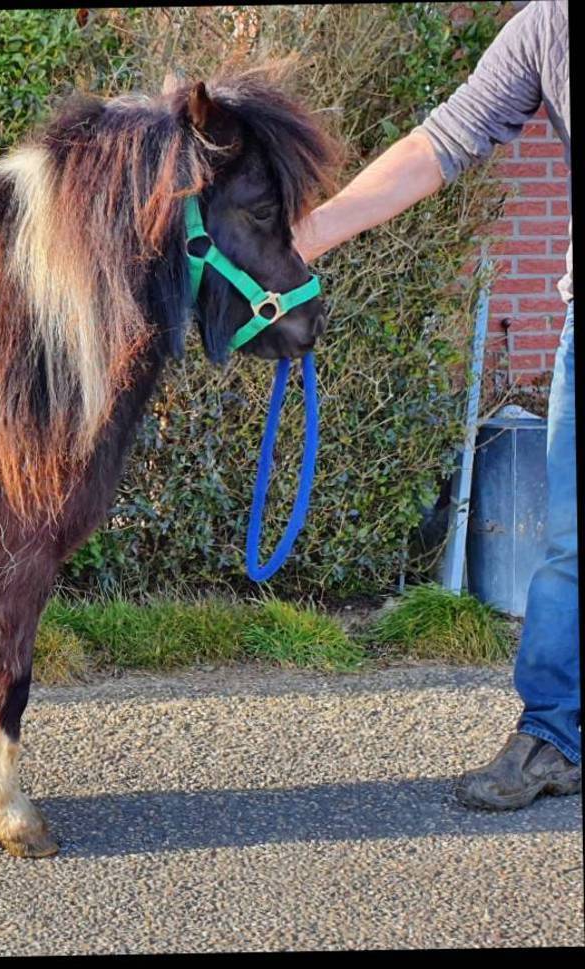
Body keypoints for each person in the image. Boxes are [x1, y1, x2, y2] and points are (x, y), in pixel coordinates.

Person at [292, 0, 576, 810]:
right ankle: (557, 733)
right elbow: (442, 142)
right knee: (570, 545)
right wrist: (304, 238)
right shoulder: (547, 26)